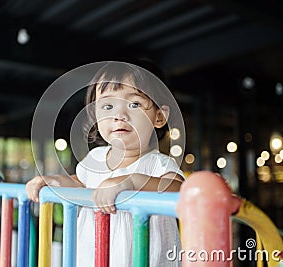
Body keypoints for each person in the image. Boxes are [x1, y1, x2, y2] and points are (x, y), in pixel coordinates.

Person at [26, 60, 184, 266]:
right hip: (93, 258)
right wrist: (53, 182)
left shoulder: (157, 164)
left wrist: (132, 181)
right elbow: (80, 183)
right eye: (107, 106)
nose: (119, 116)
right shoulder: (96, 158)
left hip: (143, 260)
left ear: (160, 116)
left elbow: (180, 189)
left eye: (134, 104)